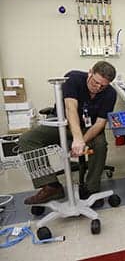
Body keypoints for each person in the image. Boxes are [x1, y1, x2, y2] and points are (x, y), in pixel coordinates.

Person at [20, 61, 117, 207]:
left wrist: (82, 141)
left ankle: (91, 189)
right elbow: (70, 108)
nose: (98, 88)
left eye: (103, 85)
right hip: (63, 124)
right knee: (27, 139)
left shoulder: (110, 93)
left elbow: (100, 123)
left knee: (100, 144)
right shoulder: (73, 79)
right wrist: (77, 139)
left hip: (88, 129)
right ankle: (50, 185)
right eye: (95, 82)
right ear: (90, 72)